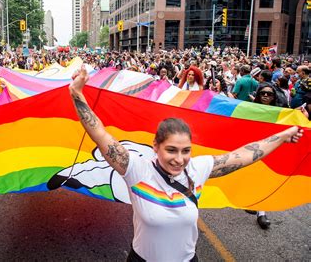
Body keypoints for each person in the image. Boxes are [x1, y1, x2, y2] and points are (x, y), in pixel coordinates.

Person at [69, 64, 302, 261]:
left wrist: (280, 137)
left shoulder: (197, 168)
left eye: (185, 151)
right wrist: (76, 93)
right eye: (171, 150)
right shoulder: (135, 169)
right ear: (155, 146)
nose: (179, 159)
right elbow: (99, 133)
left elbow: (244, 156)